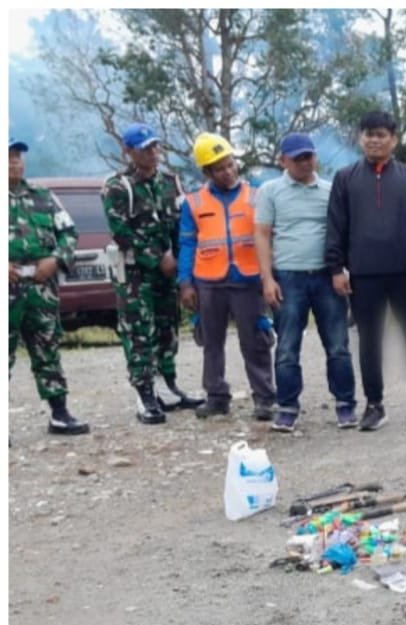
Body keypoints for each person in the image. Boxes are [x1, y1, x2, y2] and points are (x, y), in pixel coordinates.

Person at [325, 110, 406, 431]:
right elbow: (335, 226)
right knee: (369, 341)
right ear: (360, 138)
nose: (375, 140)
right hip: (363, 274)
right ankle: (375, 405)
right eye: (369, 134)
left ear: (393, 140)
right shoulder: (345, 179)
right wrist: (336, 268)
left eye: (381, 134)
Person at [255, 132, 357, 432]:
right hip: (288, 276)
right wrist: (267, 279)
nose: (304, 163)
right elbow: (261, 234)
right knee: (287, 346)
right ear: (283, 160)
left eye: (308, 156)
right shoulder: (270, 191)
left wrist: (343, 271)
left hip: (327, 276)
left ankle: (345, 405)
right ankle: (287, 407)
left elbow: (342, 233)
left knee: (338, 344)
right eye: (297, 158)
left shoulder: (331, 190)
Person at [101, 123, 198, 424]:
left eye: (155, 146)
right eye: (145, 149)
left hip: (168, 272)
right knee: (140, 332)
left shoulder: (171, 182)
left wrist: (180, 263)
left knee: (168, 328)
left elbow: (183, 225)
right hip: (135, 275)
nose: (153, 153)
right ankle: (145, 393)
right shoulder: (117, 187)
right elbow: (120, 231)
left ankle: (167, 385)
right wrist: (157, 259)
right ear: (129, 151)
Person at [178, 132, 276, 421]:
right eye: (220, 168)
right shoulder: (193, 203)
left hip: (248, 280)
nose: (228, 171)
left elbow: (270, 238)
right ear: (207, 172)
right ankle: (217, 396)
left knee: (256, 340)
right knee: (210, 341)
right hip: (208, 282)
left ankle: (265, 397)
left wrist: (270, 276)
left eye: (231, 164)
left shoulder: (257, 196)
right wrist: (185, 283)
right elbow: (186, 244)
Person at [8, 137, 88, 434]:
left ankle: (60, 413)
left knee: (47, 350)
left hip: (42, 287)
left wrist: (55, 259)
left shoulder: (44, 196)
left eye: (17, 156)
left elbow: (69, 233)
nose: (15, 161)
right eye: (8, 156)